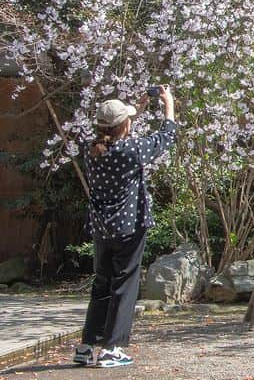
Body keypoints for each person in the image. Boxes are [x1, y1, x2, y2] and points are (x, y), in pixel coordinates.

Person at [74, 85, 176, 368]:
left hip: (101, 228)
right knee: (124, 285)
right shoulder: (131, 151)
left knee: (102, 283)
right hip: (129, 226)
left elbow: (118, 134)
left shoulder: (90, 149)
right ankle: (111, 348)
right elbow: (167, 136)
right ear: (125, 125)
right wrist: (169, 104)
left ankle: (86, 346)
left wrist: (137, 109)